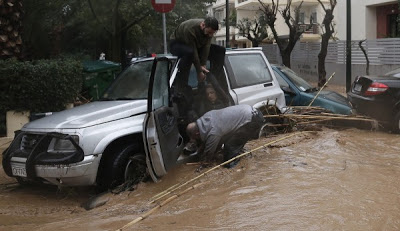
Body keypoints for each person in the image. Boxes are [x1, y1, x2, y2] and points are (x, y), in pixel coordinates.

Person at [186, 104, 265, 168]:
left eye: (195, 138)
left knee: (229, 150)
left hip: (252, 120)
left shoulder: (213, 132)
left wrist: (204, 164)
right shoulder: (206, 117)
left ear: (197, 133)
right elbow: (217, 140)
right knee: (230, 141)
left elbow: (209, 152)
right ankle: (238, 152)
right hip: (252, 111)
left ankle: (236, 165)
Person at [170, 17, 226, 85]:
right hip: (177, 44)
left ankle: (215, 82)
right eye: (209, 32)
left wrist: (203, 64)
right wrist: (199, 71)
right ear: (202, 25)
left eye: (212, 33)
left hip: (196, 45)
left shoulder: (208, 30)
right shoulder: (190, 29)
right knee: (189, 53)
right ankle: (182, 84)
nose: (210, 35)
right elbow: (194, 51)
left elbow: (206, 47)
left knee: (220, 50)